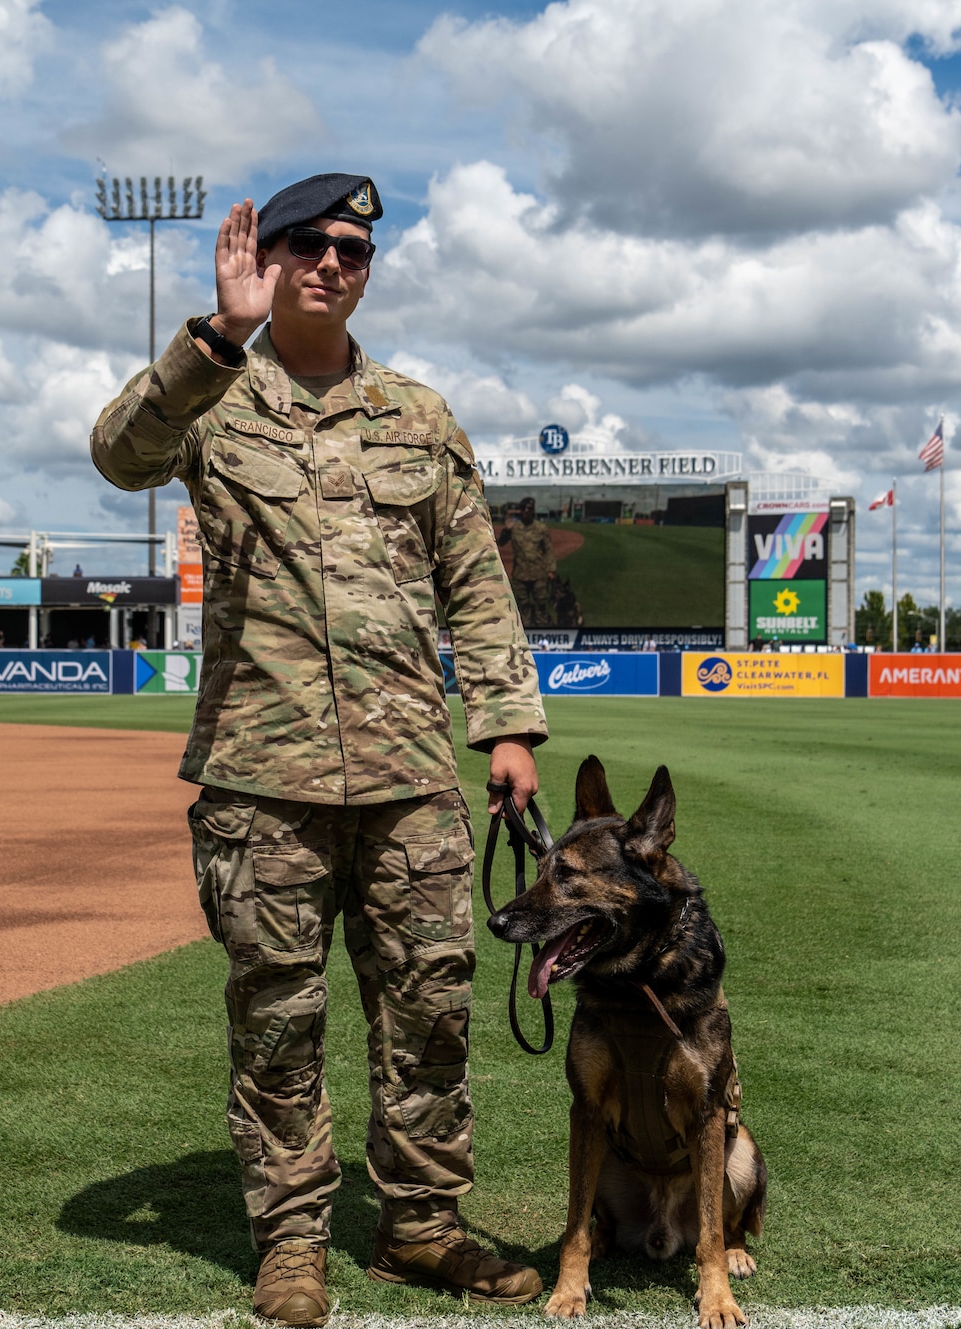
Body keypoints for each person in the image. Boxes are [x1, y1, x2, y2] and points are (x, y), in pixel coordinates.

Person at [92, 174, 547, 1327]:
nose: (331, 261)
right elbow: (119, 455)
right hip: (262, 776)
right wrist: (217, 334)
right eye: (307, 242)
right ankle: (289, 1242)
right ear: (269, 257)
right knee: (278, 1018)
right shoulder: (212, 397)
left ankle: (419, 1228)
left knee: (429, 1014)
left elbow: (475, 583)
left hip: (408, 777)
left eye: (353, 247)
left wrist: (503, 727)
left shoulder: (420, 415)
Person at [501, 497, 556, 628]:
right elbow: (501, 542)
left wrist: (551, 570)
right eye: (524, 508)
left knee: (541, 605)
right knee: (523, 606)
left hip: (539, 574)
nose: (526, 511)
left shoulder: (541, 528)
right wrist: (506, 529)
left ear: (533, 510)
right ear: (520, 510)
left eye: (530, 509)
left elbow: (548, 550)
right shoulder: (514, 527)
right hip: (520, 575)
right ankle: (527, 635)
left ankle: (542, 633)